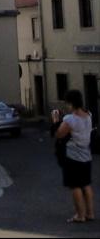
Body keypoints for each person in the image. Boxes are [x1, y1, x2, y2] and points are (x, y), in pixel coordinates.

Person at [53, 89, 95, 224]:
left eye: (67, 103)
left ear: (70, 103)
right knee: (86, 185)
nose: (66, 106)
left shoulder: (70, 119)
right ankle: (90, 213)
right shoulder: (88, 115)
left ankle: (80, 215)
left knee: (75, 186)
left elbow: (59, 134)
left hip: (73, 157)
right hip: (86, 156)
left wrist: (55, 121)